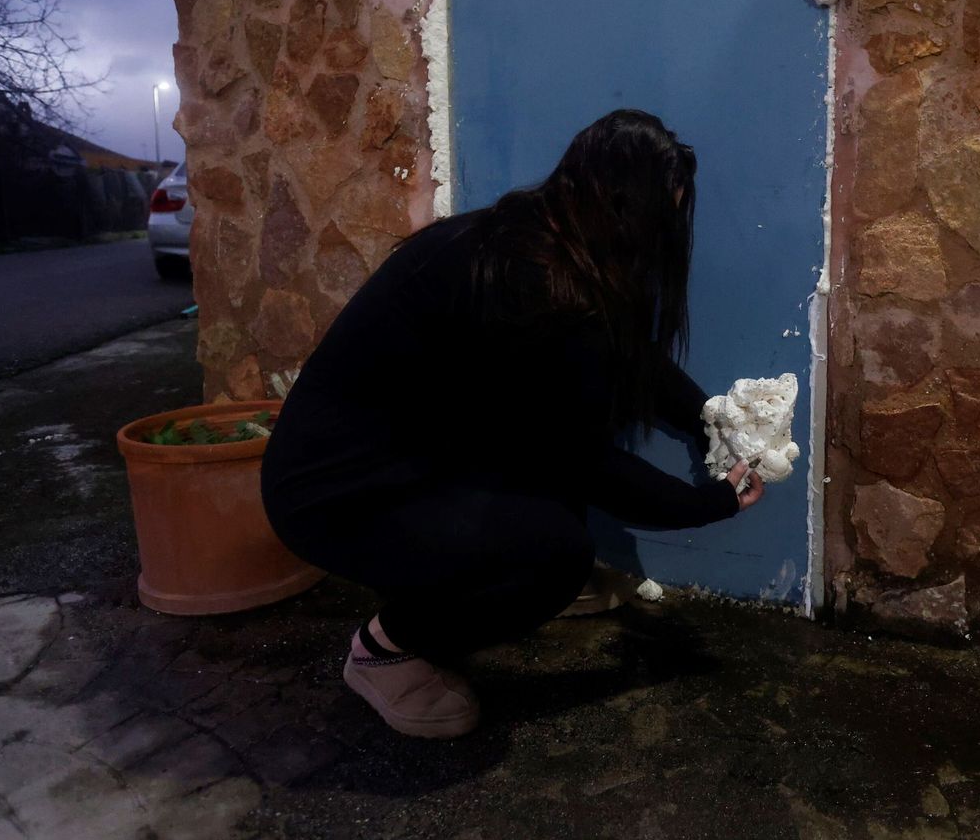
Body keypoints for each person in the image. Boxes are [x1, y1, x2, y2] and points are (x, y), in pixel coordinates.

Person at [260, 109, 765, 739]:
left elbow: (628, 362)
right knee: (553, 557)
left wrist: (709, 416)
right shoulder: (530, 283)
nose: (661, 238)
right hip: (332, 492)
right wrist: (708, 504)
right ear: (621, 209)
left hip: (399, 460)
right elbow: (579, 458)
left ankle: (465, 580)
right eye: (658, 217)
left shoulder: (537, 243)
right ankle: (384, 649)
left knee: (546, 503)